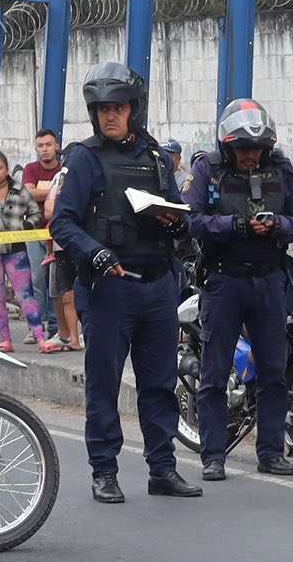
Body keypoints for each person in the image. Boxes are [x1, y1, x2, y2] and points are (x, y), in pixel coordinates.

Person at [49, 61, 199, 503]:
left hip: (157, 286)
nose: (109, 116)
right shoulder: (84, 158)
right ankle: (104, 471)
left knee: (159, 384)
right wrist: (94, 251)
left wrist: (176, 225)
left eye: (117, 108)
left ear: (134, 109)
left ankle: (163, 469)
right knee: (104, 384)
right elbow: (63, 222)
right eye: (101, 110)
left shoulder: (154, 157)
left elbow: (176, 210)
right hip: (109, 289)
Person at [184, 99, 293, 481]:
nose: (249, 156)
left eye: (256, 149)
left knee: (274, 370)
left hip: (270, 282)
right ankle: (213, 455)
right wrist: (235, 226)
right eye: (242, 149)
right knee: (215, 371)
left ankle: (271, 452)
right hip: (224, 283)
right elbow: (189, 219)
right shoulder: (206, 169)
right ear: (228, 146)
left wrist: (278, 226)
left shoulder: (279, 170)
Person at [0, 150, 64, 355]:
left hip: (16, 251)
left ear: (7, 169)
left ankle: (41, 338)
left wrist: (26, 226)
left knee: (25, 294)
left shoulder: (19, 190)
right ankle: (6, 340)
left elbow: (36, 212)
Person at [22, 127, 81, 350]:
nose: (45, 149)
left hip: (65, 238)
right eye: (40, 145)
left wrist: (50, 192)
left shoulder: (64, 173)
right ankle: (39, 328)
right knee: (41, 281)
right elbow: (29, 193)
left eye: (49, 144)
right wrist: (58, 192)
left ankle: (64, 330)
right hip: (40, 234)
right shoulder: (36, 170)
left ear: (57, 147)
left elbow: (42, 199)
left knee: (67, 289)